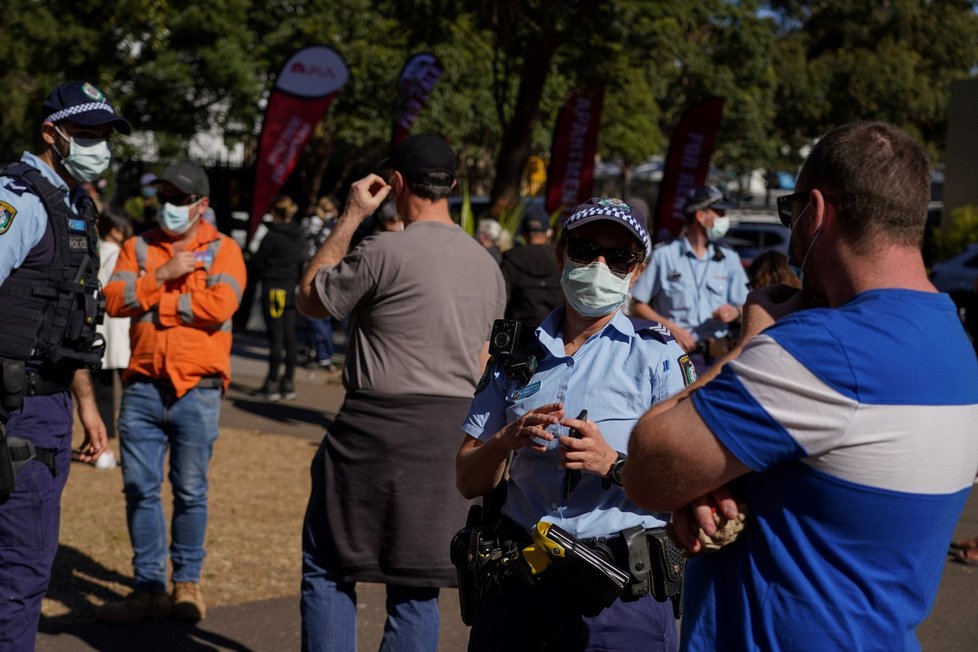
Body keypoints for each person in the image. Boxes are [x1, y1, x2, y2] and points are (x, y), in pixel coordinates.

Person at [623, 122, 978, 650]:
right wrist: (714, 492)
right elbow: (831, 490)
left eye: (790, 215)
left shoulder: (825, 349)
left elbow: (648, 468)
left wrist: (752, 341)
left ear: (814, 212)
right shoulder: (954, 342)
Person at [295, 133, 506, 652]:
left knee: (328, 567)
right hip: (449, 437)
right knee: (416, 588)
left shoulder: (381, 249)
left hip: (373, 429)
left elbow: (309, 300)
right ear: (454, 186)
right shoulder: (488, 266)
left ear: (395, 183)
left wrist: (350, 216)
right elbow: (487, 364)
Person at [456, 197, 689, 651]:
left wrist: (613, 464)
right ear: (561, 256)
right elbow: (466, 478)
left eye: (618, 256)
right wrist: (504, 441)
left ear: (635, 271)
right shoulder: (515, 357)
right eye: (585, 249)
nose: (599, 265)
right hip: (519, 585)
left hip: (619, 597)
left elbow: (689, 485)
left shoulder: (658, 358)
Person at [98, 160, 247, 623]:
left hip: (197, 391)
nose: (170, 207)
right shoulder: (139, 247)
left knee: (191, 491)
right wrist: (162, 277)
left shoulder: (225, 250)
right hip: (141, 387)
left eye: (179, 199)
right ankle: (147, 587)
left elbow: (222, 304)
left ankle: (186, 584)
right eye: (163, 197)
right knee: (139, 490)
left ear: (201, 205)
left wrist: (159, 305)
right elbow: (112, 300)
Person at [0, 80, 119, 651]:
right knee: (18, 578)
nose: (102, 146)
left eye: (106, 135)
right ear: (53, 133)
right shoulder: (18, 200)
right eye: (89, 134)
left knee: (24, 569)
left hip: (49, 407)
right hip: (13, 411)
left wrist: (88, 403)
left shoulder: (74, 204)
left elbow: (61, 322)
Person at [630, 185, 748, 368]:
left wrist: (735, 312)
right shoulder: (665, 255)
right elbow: (637, 304)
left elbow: (746, 303)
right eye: (720, 213)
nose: (724, 219)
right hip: (674, 354)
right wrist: (671, 329)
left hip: (717, 356)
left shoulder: (728, 258)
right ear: (700, 216)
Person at [251, 195, 304, 401]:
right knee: (289, 336)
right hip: (290, 288)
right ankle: (288, 381)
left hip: (273, 287)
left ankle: (272, 382)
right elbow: (303, 260)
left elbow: (257, 262)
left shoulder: (272, 236)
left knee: (276, 337)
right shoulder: (298, 235)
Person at [93, 210, 135, 469]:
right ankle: (129, 447)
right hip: (121, 329)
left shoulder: (92, 250)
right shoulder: (122, 255)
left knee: (102, 394)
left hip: (98, 330)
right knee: (131, 394)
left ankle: (102, 447)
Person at [499, 207, 563, 328]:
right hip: (554, 335)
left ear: (523, 233)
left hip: (518, 336)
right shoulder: (561, 259)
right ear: (549, 232)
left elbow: (501, 300)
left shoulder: (510, 259)